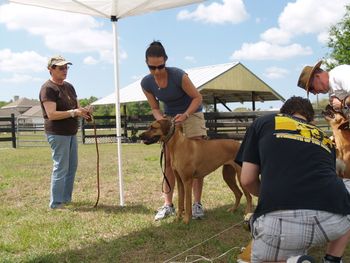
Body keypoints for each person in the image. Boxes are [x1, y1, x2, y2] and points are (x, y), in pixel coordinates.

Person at [235, 96, 350, 263]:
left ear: (283, 113)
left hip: (280, 227)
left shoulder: (264, 122)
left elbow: (247, 180)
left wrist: (270, 193)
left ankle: (293, 262)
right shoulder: (324, 137)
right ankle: (333, 258)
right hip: (334, 223)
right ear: (310, 120)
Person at [141, 41, 207, 221]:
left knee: (195, 161)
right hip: (169, 119)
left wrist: (185, 115)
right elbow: (155, 107)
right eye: (151, 67)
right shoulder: (146, 82)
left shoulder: (178, 75)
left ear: (166, 61)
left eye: (160, 66)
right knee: (169, 161)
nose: (156, 71)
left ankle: (197, 204)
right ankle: (168, 204)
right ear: (147, 63)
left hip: (191, 114)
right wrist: (162, 120)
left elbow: (197, 98)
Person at [39, 55, 91, 209]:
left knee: (71, 166)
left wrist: (85, 112)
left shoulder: (69, 86)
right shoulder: (48, 88)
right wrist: (74, 112)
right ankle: (56, 203)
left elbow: (77, 107)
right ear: (51, 69)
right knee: (61, 167)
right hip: (57, 133)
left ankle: (66, 199)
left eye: (66, 67)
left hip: (70, 133)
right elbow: (52, 114)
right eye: (61, 67)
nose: (65, 70)